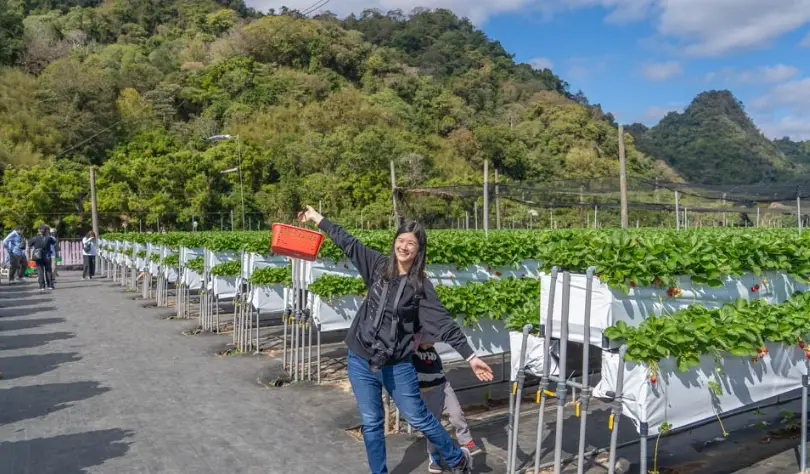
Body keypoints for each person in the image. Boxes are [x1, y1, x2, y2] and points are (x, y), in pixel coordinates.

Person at [298, 205, 493, 474]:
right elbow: (347, 241)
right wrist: (316, 218)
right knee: (371, 421)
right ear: (394, 243)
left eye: (410, 243)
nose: (404, 247)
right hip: (360, 358)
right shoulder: (378, 266)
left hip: (396, 365)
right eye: (400, 240)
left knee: (418, 416)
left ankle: (458, 459)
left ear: (418, 250)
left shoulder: (421, 287)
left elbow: (443, 322)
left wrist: (471, 357)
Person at [412, 336, 482, 473]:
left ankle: (466, 441)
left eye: (433, 339)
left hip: (443, 385)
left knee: (457, 413)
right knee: (433, 425)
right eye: (429, 338)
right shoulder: (412, 351)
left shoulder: (432, 350)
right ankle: (434, 456)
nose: (432, 342)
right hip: (426, 392)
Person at [29, 225, 56, 292]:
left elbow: (29, 244)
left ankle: (41, 286)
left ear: (39, 231)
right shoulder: (49, 238)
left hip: (38, 256)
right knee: (48, 270)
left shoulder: (34, 238)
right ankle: (50, 285)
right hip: (47, 256)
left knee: (40, 271)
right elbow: (53, 242)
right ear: (46, 231)